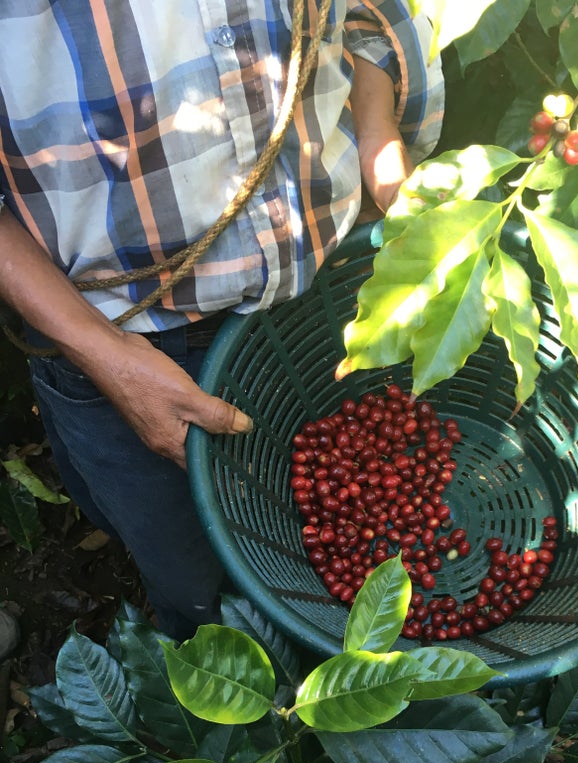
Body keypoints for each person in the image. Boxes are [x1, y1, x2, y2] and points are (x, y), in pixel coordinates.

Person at [0, 1, 443, 640]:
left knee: (345, 532)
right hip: (131, 340)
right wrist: (98, 350)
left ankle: (344, 698)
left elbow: (372, 17)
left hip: (332, 285)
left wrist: (376, 138)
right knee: (197, 583)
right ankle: (237, 707)